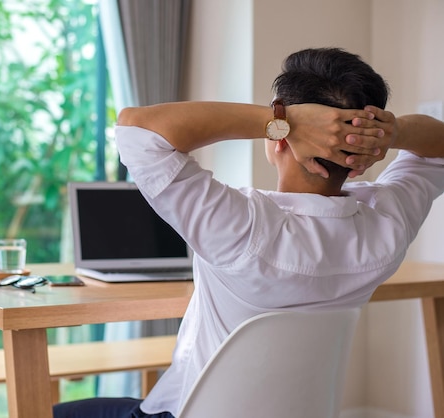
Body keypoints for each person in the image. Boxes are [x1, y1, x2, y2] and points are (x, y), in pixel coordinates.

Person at [53, 47, 444, 418]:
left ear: (280, 142)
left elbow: (137, 127)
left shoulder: (241, 225)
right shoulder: (386, 228)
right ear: (360, 161)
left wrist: (282, 121)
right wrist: (383, 135)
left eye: (278, 126)